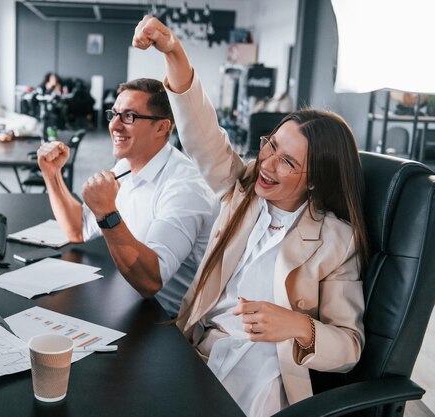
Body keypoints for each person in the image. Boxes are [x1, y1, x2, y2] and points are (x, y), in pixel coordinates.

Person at [132, 16, 369, 416]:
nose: (267, 164)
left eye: (287, 161)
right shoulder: (240, 188)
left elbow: (350, 346)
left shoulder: (336, 241)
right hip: (198, 346)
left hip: (262, 370)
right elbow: (201, 132)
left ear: (315, 181)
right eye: (270, 145)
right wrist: (173, 51)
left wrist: (297, 326)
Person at [36, 78, 218, 317]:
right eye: (114, 114)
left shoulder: (185, 188)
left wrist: (107, 213)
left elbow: (151, 282)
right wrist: (52, 175)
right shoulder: (126, 164)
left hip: (167, 323)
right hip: (128, 299)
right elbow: (78, 230)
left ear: (162, 127)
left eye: (130, 116)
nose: (115, 126)